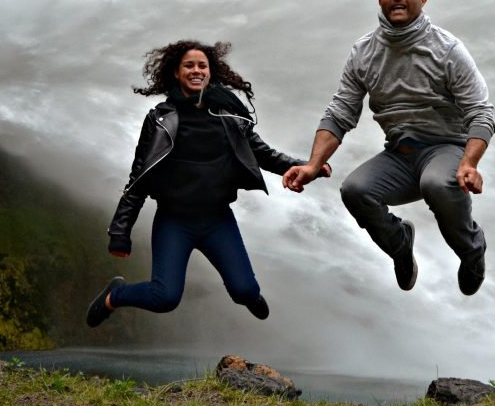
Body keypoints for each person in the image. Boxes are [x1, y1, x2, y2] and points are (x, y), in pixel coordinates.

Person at [282, 0, 495, 296]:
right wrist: (311, 165)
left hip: (445, 149)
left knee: (437, 183)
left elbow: (481, 113)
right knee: (355, 190)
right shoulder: (364, 52)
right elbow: (340, 113)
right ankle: (400, 245)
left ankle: (472, 250)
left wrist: (469, 163)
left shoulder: (447, 49)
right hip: (400, 152)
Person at [87, 40, 329, 327]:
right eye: (189, 65)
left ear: (210, 72)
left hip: (217, 219)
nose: (196, 70)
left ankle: (247, 293)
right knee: (165, 298)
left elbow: (261, 152)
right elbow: (139, 175)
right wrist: (120, 231)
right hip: (174, 220)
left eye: (202, 65)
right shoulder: (160, 119)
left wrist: (304, 166)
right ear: (176, 73)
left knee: (245, 291)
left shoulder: (229, 115)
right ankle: (115, 295)